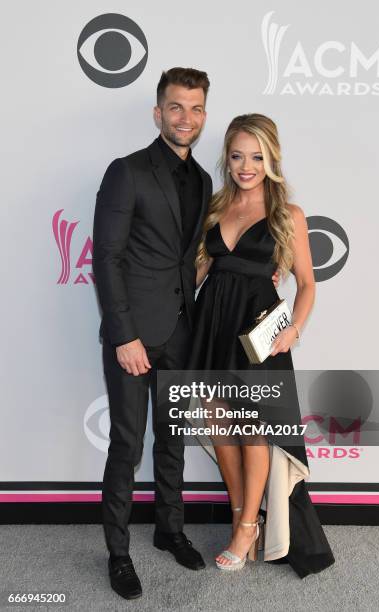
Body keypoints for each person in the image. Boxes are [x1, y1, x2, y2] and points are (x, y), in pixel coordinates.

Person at [189, 113, 335, 576]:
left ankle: (248, 527)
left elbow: (308, 284)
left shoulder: (285, 214)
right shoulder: (215, 206)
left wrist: (293, 330)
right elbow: (197, 272)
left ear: (271, 159)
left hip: (258, 333)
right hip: (212, 326)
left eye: (256, 156)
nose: (246, 166)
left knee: (254, 432)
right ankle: (240, 515)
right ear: (226, 158)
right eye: (237, 156)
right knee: (220, 426)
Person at [92, 67, 214, 600]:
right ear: (157, 112)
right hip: (135, 337)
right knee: (126, 444)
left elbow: (187, 260)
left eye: (195, 108)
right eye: (176, 107)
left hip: (182, 333)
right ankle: (118, 554)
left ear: (204, 115)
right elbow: (107, 256)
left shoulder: (206, 179)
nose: (185, 118)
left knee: (172, 442)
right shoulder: (127, 171)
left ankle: (169, 529)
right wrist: (124, 335)